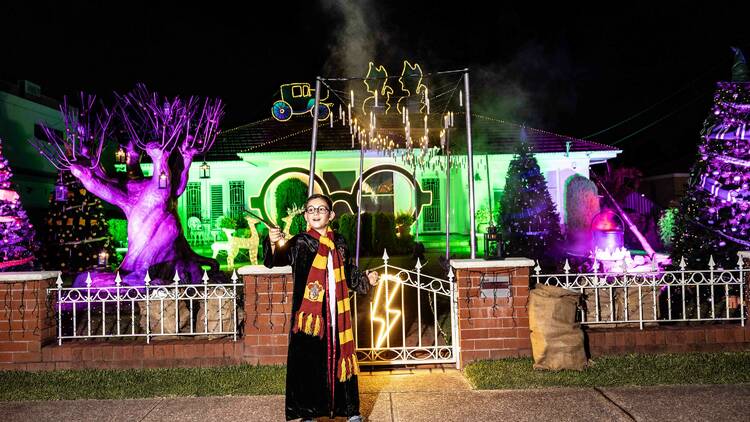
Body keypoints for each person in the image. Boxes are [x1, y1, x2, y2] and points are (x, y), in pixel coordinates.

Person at [264, 193, 379, 422]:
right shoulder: (300, 242)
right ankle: (309, 413)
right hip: (310, 318)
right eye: (311, 209)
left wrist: (366, 279)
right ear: (306, 215)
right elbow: (274, 260)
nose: (316, 213)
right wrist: (271, 238)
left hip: (337, 314)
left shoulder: (340, 242)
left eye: (321, 209)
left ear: (331, 215)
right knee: (309, 364)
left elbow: (348, 273)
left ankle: (350, 411)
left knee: (340, 359)